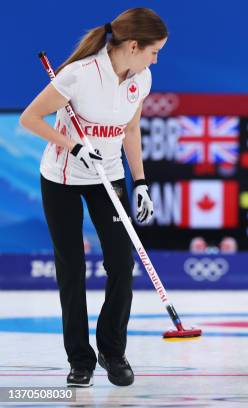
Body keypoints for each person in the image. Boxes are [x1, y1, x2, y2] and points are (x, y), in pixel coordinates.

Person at [19, 8, 167, 387]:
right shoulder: (79, 75)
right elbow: (30, 118)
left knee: (121, 263)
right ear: (133, 46)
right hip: (62, 178)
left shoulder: (142, 78)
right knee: (72, 269)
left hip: (109, 177)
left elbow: (131, 129)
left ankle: (112, 351)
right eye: (153, 51)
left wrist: (141, 181)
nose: (156, 59)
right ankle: (80, 360)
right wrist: (73, 147)